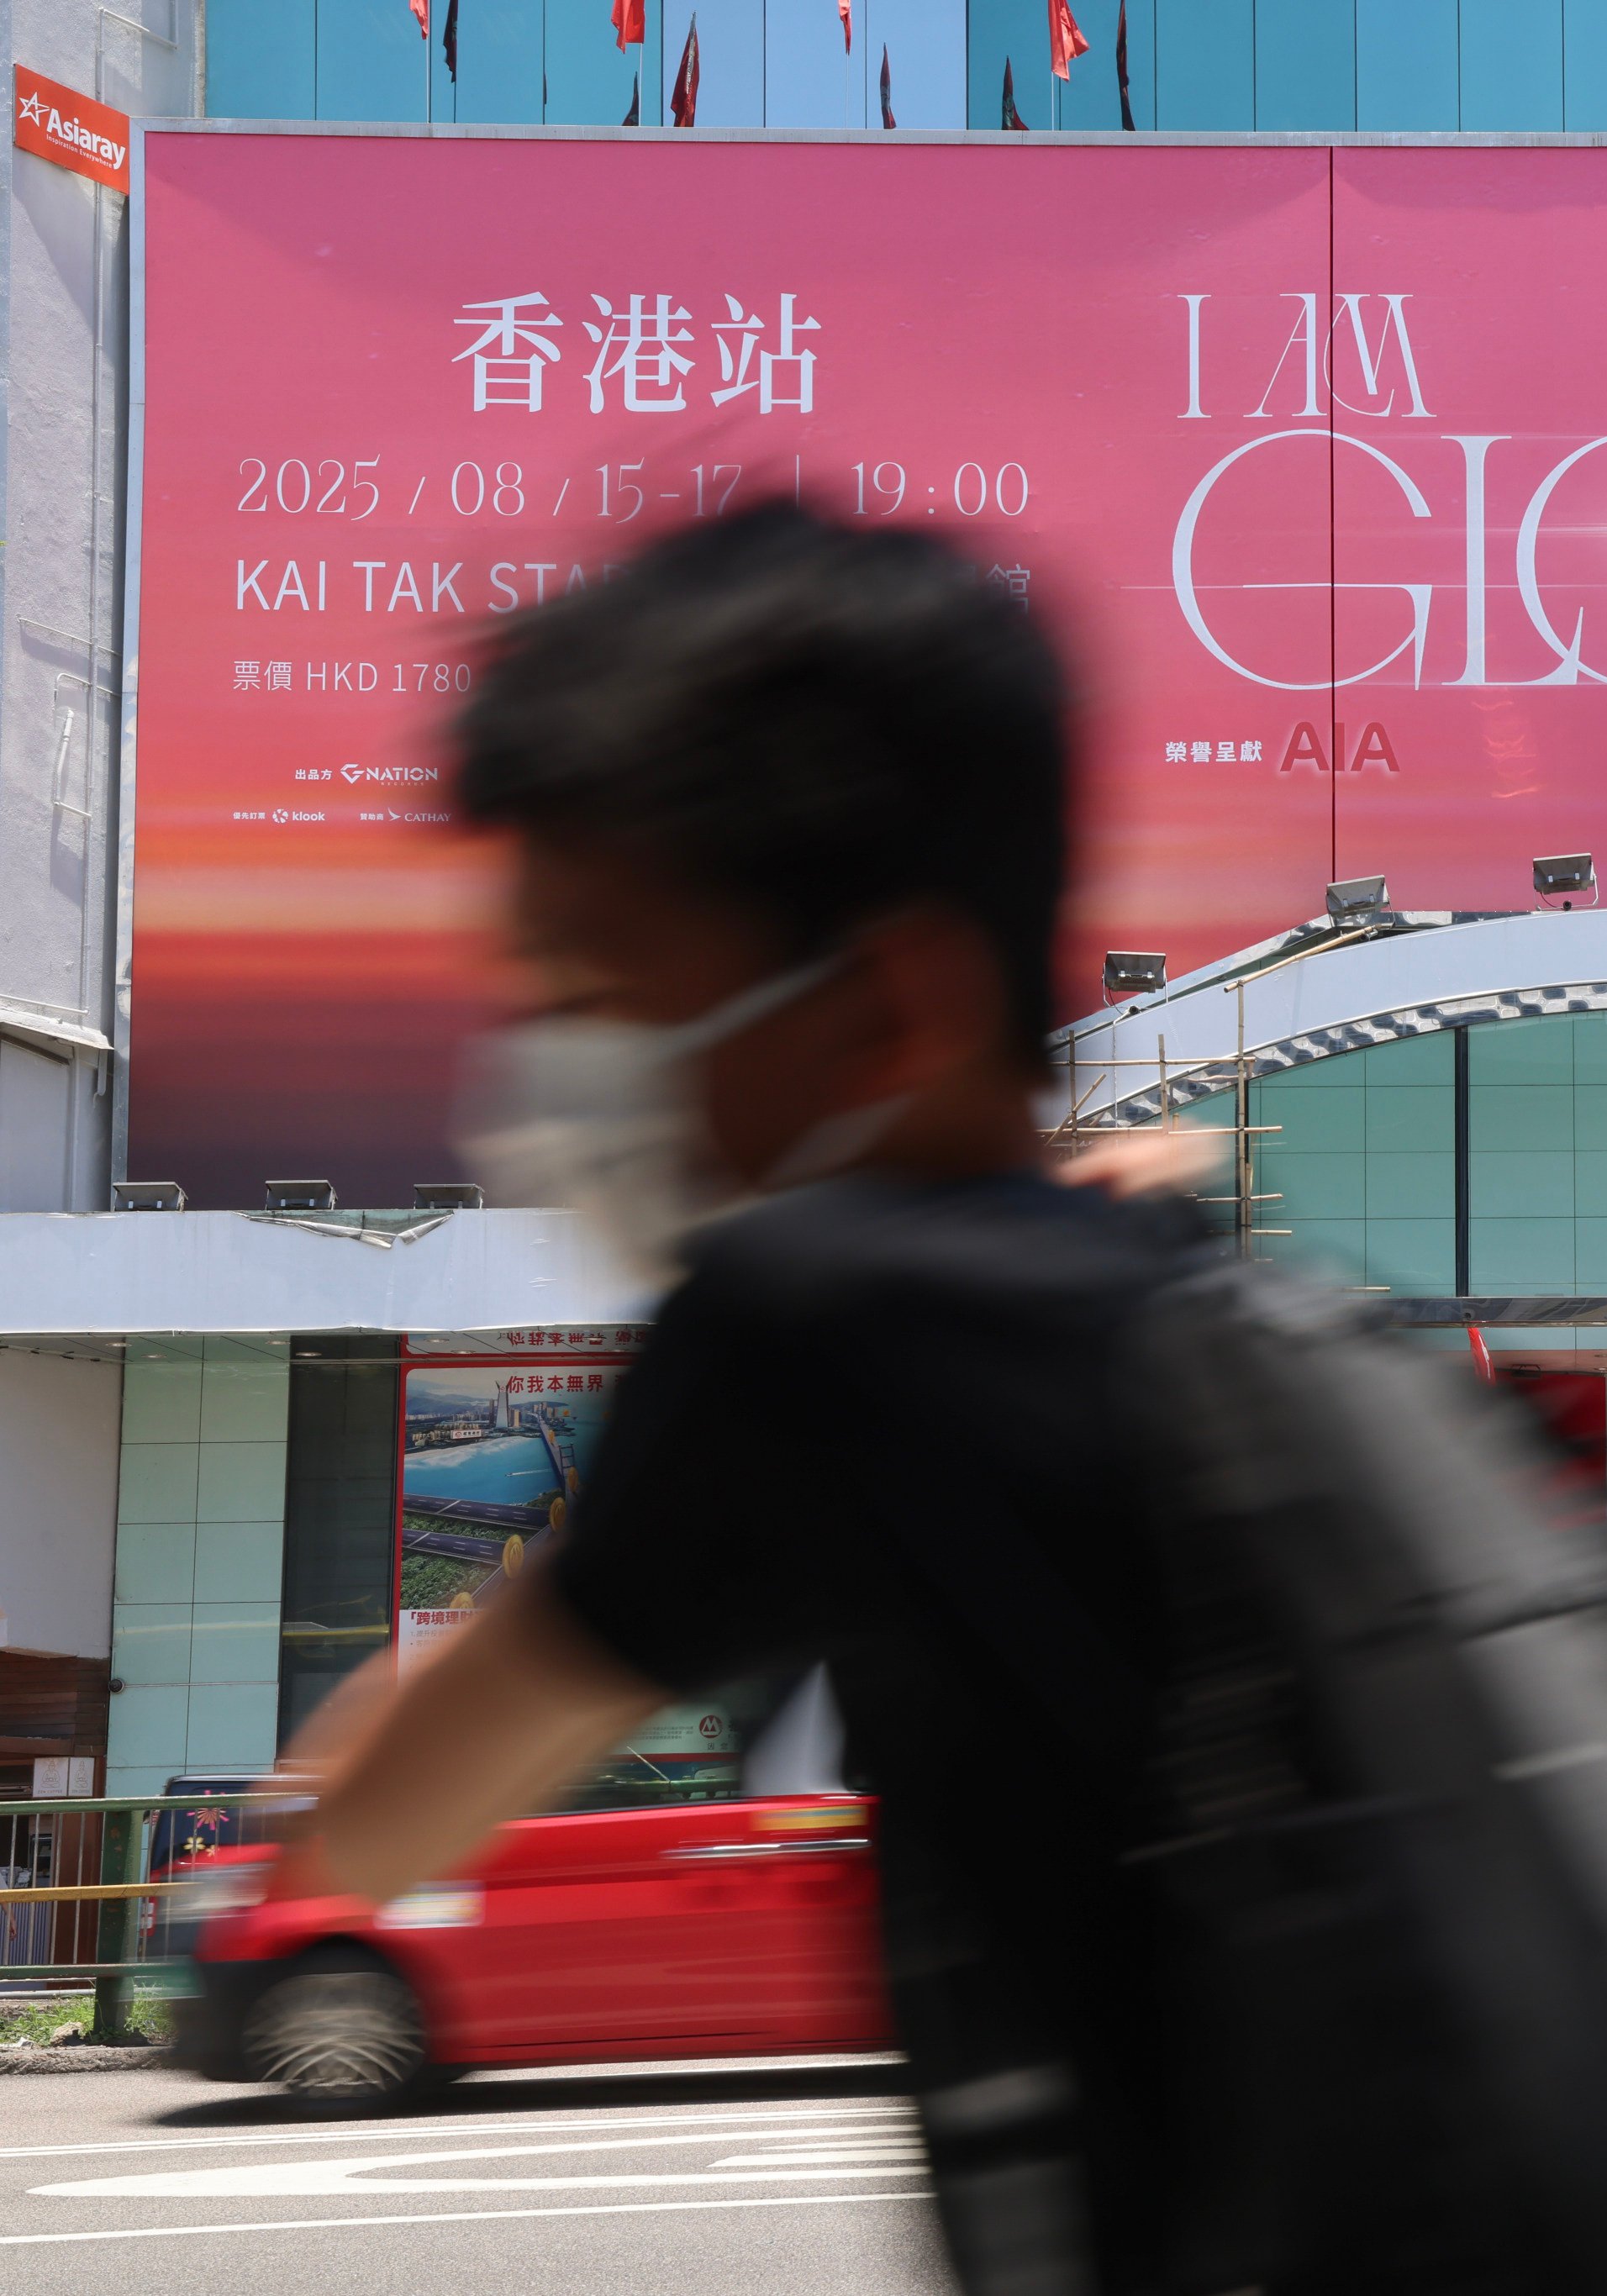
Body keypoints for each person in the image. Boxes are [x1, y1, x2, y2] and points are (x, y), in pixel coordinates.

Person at [259, 506, 1235, 2293]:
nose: (549, 1076)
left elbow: (370, 1820)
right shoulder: (1177, 1262)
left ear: (881, 1006)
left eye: (598, 993)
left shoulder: (807, 1322)